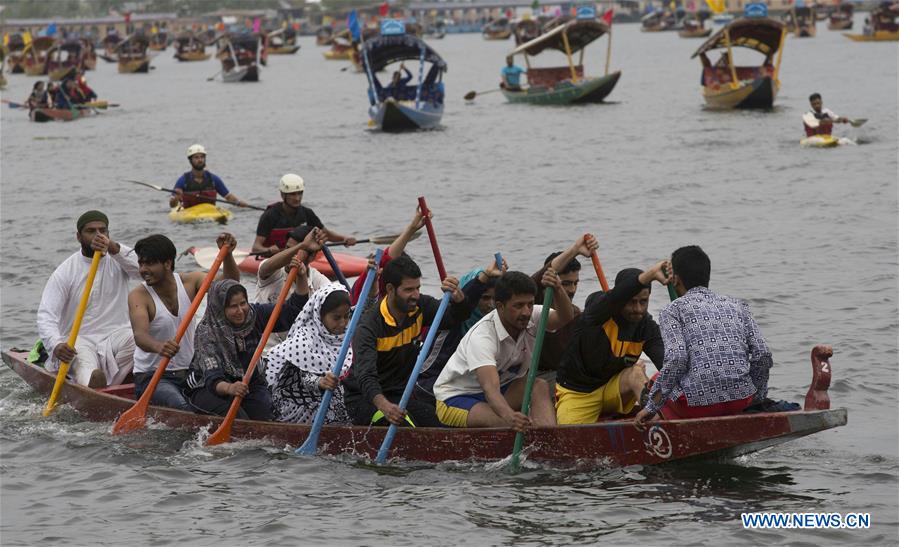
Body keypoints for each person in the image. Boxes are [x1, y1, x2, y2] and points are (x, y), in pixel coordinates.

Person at [635, 246, 773, 428]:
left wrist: (652, 406)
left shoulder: (672, 310)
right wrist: (757, 397)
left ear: (675, 279)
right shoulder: (738, 305)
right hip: (741, 400)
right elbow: (762, 354)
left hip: (695, 406)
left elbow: (677, 359)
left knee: (656, 380)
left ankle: (660, 420)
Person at [433, 269, 575, 431]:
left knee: (538, 385)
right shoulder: (482, 337)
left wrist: (558, 288)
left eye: (530, 304)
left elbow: (565, 318)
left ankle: (550, 441)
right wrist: (510, 417)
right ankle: (528, 438)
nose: (526, 312)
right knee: (502, 422)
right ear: (500, 306)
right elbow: (490, 389)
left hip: (502, 389)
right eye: (518, 306)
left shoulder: (533, 316)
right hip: (456, 398)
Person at [342, 256, 469, 427]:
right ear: (390, 289)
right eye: (409, 290)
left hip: (399, 395)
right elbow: (366, 377)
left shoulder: (419, 306)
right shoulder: (369, 325)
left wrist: (459, 300)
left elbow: (454, 317)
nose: (415, 295)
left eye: (418, 288)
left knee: (438, 423)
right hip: (364, 399)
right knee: (404, 426)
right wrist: (385, 407)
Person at [185, 260, 310, 421]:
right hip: (207, 388)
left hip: (249, 382)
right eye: (232, 306)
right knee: (239, 418)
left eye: (243, 303)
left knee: (267, 416)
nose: (240, 311)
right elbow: (212, 378)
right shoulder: (207, 333)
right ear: (220, 308)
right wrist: (231, 388)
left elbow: (292, 311)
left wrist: (301, 277)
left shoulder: (253, 314)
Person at [128, 233, 240, 411]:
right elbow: (140, 336)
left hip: (190, 373)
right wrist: (159, 347)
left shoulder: (191, 282)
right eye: (141, 264)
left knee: (227, 405)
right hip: (153, 376)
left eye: (149, 263)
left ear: (167, 263)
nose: (143, 270)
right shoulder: (138, 296)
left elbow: (230, 286)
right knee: (181, 406)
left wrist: (227, 256)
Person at [555, 261, 671, 425]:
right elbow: (612, 298)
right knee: (569, 439)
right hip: (578, 393)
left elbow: (668, 366)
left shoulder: (647, 328)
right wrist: (649, 275)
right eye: (631, 302)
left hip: (615, 388)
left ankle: (653, 420)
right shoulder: (598, 313)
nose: (637, 309)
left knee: (636, 374)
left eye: (643, 302)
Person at [37, 211, 141, 387]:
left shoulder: (119, 258)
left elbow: (144, 271)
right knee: (84, 364)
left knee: (139, 338)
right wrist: (57, 345)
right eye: (91, 231)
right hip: (80, 339)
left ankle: (116, 385)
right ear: (79, 236)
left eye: (103, 230)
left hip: (116, 335)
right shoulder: (65, 272)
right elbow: (46, 316)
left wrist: (115, 248)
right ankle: (95, 385)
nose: (98, 235)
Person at [413, 257, 506, 406]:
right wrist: (484, 276)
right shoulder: (448, 317)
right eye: (485, 298)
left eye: (495, 299)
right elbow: (463, 305)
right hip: (428, 387)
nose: (491, 305)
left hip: (467, 389)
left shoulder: (493, 323)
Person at [265, 283, 353, 423]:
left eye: (346, 316)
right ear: (320, 316)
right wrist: (321, 382)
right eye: (336, 318)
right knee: (334, 412)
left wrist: (372, 287)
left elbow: (365, 310)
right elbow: (306, 377)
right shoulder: (305, 337)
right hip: (295, 400)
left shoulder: (346, 332)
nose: (343, 323)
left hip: (327, 394)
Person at [530, 234, 599, 381]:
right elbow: (543, 274)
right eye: (566, 284)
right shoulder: (532, 306)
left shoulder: (575, 314)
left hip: (565, 377)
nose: (573, 289)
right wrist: (575, 250)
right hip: (535, 378)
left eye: (576, 283)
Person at [251, 173, 356, 257]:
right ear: (283, 195)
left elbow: (326, 234)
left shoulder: (307, 213)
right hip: (274, 257)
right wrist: (268, 250)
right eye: (292, 194)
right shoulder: (269, 215)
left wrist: (345, 238)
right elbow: (256, 248)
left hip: (300, 255)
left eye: (299, 193)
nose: (297, 198)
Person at [254, 226, 330, 305]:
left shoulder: (319, 281)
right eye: (288, 248)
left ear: (312, 256)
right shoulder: (274, 270)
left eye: (297, 252)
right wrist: (303, 246)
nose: (290, 255)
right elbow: (265, 268)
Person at [168, 144, 248, 210]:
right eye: (196, 157)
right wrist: (176, 198)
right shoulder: (183, 180)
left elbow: (228, 197)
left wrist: (239, 202)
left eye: (202, 157)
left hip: (210, 213)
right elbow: (172, 205)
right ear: (190, 160)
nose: (200, 160)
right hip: (189, 213)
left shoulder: (214, 179)